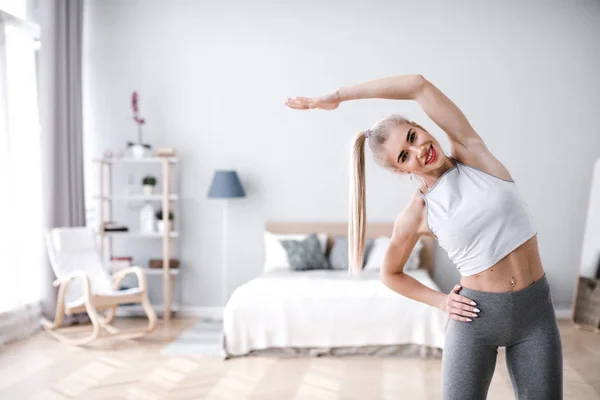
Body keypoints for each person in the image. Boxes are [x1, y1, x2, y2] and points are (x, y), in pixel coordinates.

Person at [285, 74, 563, 400]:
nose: (419, 151)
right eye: (404, 156)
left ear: (421, 125)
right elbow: (390, 274)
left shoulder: (473, 153)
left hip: (536, 313)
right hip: (476, 319)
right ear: (400, 171)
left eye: (413, 137)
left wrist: (339, 95)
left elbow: (417, 84)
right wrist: (442, 302)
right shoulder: (418, 213)